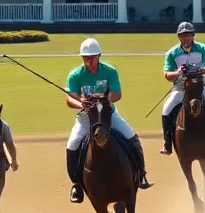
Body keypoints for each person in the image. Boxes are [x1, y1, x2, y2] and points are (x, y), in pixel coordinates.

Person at [63, 37, 151, 204]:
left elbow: (117, 94)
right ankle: (76, 184)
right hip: (85, 118)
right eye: (85, 58)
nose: (89, 61)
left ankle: (141, 173)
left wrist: (103, 100)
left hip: (108, 116)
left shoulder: (110, 71)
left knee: (131, 136)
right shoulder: (75, 75)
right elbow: (69, 98)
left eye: (92, 57)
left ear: (99, 56)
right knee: (72, 144)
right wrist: (81, 102)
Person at [160, 21, 205, 155]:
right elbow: (167, 75)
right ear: (179, 37)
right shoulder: (172, 53)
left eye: (188, 35)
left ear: (193, 35)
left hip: (201, 86)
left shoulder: (202, 49)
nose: (186, 38)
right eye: (182, 35)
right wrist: (179, 72)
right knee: (166, 110)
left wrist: (200, 70)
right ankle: (167, 143)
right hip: (181, 88)